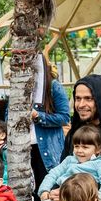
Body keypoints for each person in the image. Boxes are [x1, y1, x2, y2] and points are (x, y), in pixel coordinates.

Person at [30, 55, 73, 188]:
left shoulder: (53, 86)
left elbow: (64, 117)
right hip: (23, 148)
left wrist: (38, 116)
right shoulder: (20, 88)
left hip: (47, 147)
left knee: (47, 187)